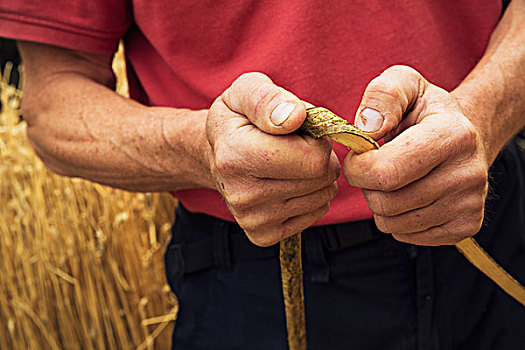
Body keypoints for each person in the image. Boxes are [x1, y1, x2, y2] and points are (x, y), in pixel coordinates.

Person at [1, 1, 524, 349]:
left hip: (486, 218)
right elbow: (53, 106)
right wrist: (203, 148)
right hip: (250, 277)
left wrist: (479, 116)